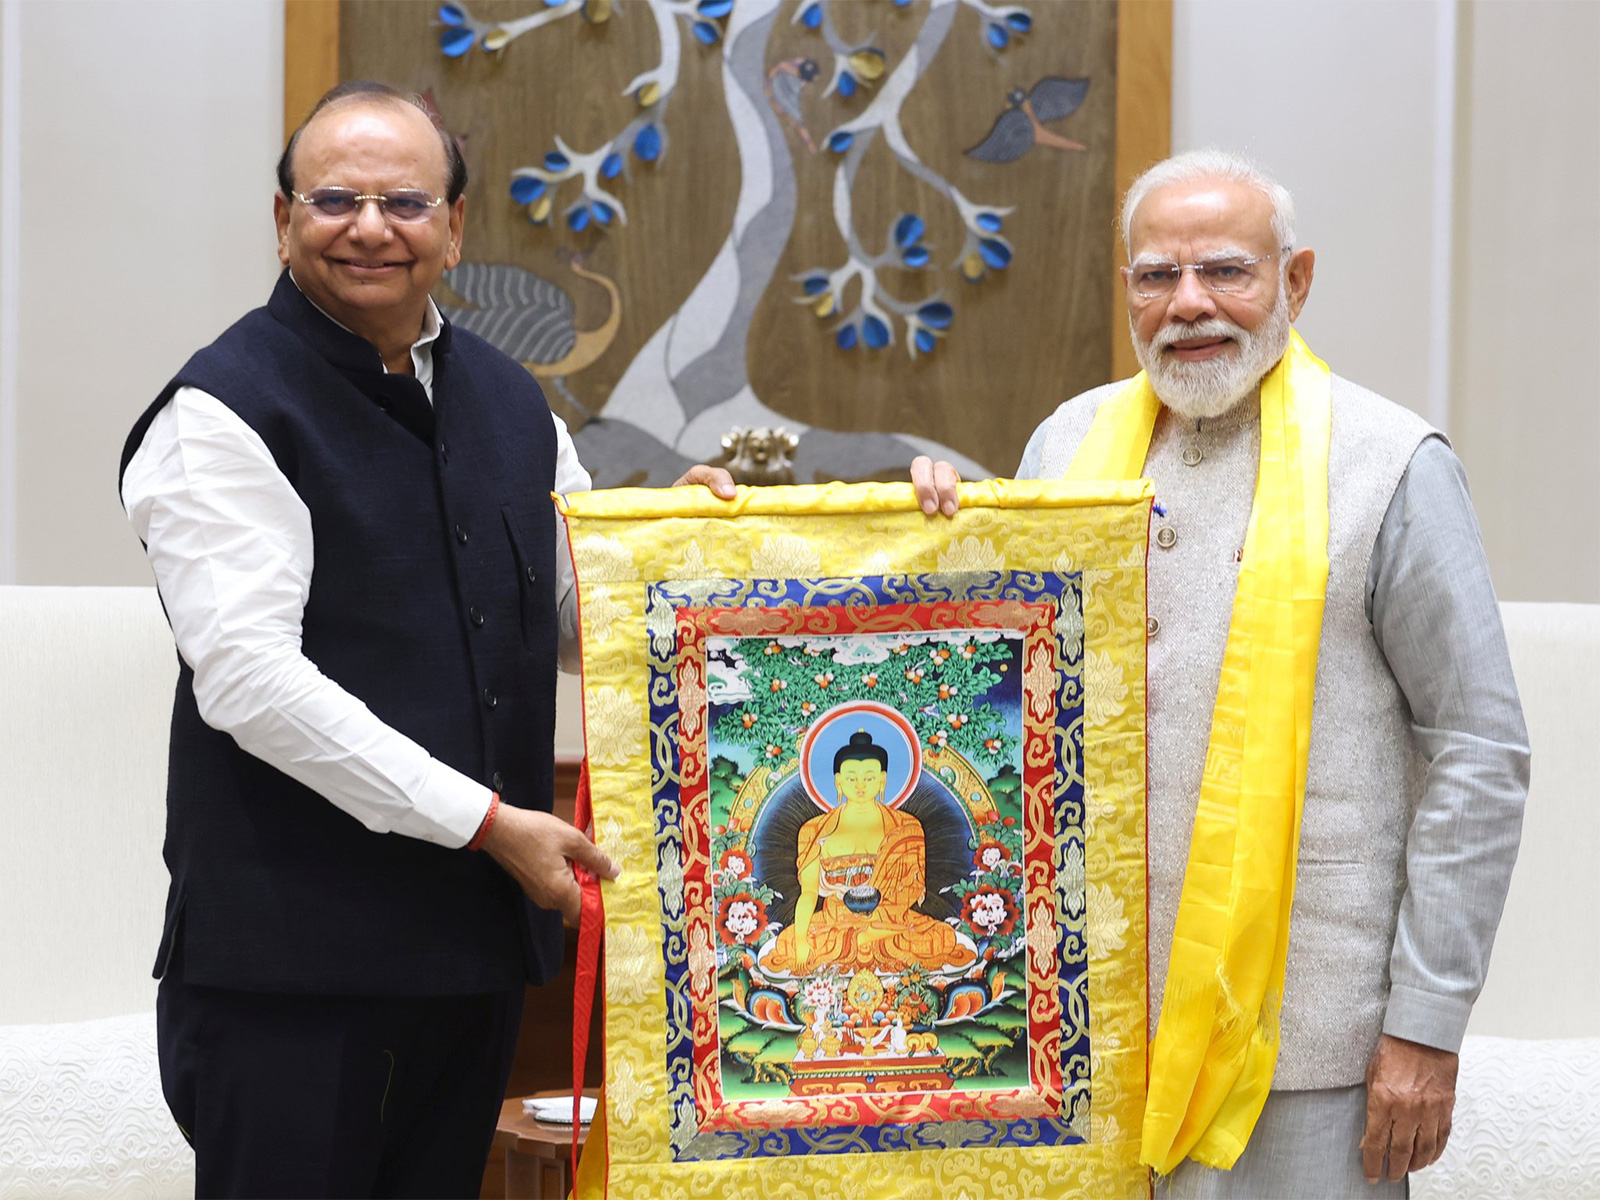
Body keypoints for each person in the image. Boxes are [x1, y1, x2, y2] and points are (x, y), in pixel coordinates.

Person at [119, 81, 732, 1198]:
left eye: (404, 201)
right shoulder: (220, 412)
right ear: (282, 218)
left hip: (471, 964)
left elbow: (570, 628)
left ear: (454, 228)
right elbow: (251, 683)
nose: (368, 226)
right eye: (334, 198)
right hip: (290, 982)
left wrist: (668, 554)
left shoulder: (515, 405)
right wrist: (490, 823)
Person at [911, 149, 1528, 1197]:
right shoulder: (1065, 448)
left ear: (1294, 281)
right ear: (1128, 294)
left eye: (1226, 271)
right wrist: (911, 539)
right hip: (1081, 1030)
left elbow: (1479, 751)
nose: (1189, 304)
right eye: (1156, 276)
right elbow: (985, 688)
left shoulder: (1390, 462)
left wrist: (1425, 1026)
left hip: (1302, 1043)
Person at [765, 730, 975, 974]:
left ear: (883, 780)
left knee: (938, 937)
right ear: (838, 781)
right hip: (836, 923)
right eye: (852, 778)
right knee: (789, 944)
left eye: (870, 777)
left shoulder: (906, 827)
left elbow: (912, 889)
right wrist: (801, 939)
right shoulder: (814, 830)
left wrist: (879, 918)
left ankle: (869, 937)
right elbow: (810, 893)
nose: (861, 786)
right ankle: (865, 939)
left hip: (890, 921)